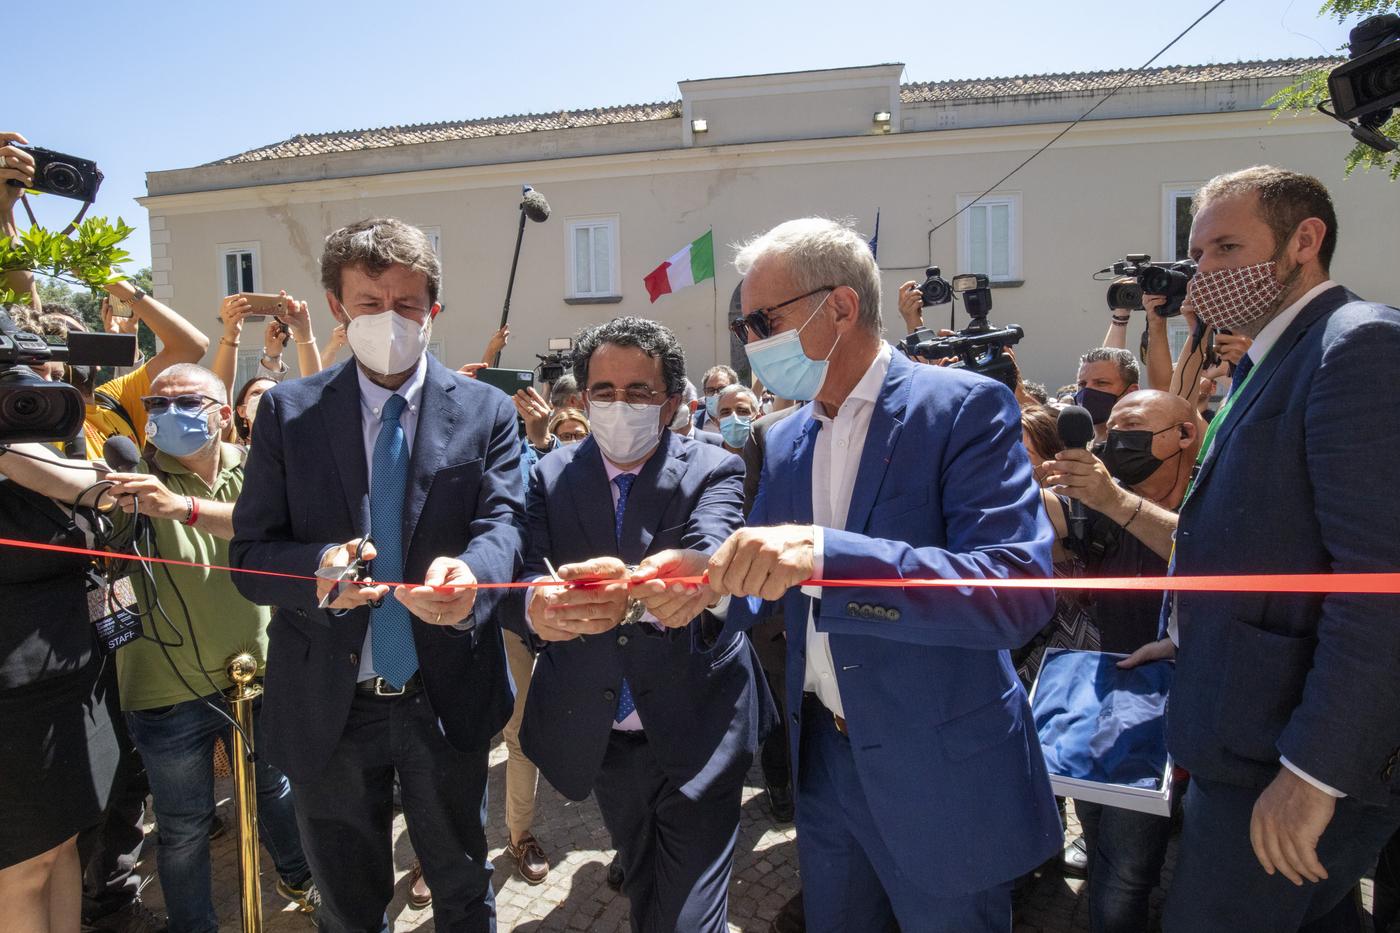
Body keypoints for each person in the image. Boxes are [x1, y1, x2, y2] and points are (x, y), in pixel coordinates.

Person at [645, 218, 1060, 932]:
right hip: (826, 763)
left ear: (838, 306)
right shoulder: (786, 437)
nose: (749, 340)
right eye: (742, 324)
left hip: (940, 770)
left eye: (761, 320)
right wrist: (701, 583)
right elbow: (760, 574)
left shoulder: (964, 409)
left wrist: (830, 558)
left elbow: (1015, 590)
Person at [230, 217, 524, 933]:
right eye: (369, 303)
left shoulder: (486, 410)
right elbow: (248, 556)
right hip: (332, 706)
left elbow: (506, 523)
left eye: (407, 304)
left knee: (462, 886)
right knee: (349, 906)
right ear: (336, 306)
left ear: (434, 309)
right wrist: (316, 571)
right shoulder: (289, 414)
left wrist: (472, 575)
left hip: (445, 694)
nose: (389, 319)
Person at [1130, 166, 1400, 932]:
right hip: (1244, 732)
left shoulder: (1358, 346)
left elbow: (1380, 581)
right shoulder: (1270, 360)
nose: (1205, 274)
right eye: (1198, 253)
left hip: (1287, 761)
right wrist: (1189, 632)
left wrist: (1314, 772)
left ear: (1304, 240)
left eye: (1226, 248)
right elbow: (1254, 532)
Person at [511, 316, 775, 933]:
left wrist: (690, 579)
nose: (618, 404)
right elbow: (522, 573)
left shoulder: (716, 468)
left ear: (673, 403)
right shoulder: (548, 476)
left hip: (699, 726)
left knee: (687, 918)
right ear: (581, 398)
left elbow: (714, 551)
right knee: (644, 881)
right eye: (603, 390)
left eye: (639, 391)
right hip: (604, 736)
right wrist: (540, 607)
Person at [1041, 389, 1202, 933]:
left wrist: (1118, 502)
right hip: (1105, 704)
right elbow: (1043, 521)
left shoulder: (1213, 496)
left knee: (1129, 874)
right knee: (1106, 847)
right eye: (1113, 433)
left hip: (1178, 712)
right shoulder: (1103, 499)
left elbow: (1200, 552)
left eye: (1134, 433)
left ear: (1186, 435)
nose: (1119, 444)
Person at [0, 440, 121, 933]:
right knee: (23, 868)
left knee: (66, 845)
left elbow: (105, 492)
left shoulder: (28, 440)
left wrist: (13, 445)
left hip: (78, 679)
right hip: (13, 702)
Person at [1073, 348, 1139, 444]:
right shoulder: (1073, 445)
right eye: (1082, 384)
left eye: (1101, 383)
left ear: (1131, 392)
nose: (1088, 390)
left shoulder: (1143, 446)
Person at [713, 383, 758, 456]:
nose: (734, 418)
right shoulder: (709, 462)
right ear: (717, 422)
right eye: (725, 412)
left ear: (756, 417)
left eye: (742, 411)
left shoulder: (768, 459)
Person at [694, 364, 737, 433]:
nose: (715, 395)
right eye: (710, 390)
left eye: (722, 389)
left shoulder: (743, 422)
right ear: (705, 393)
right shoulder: (690, 422)